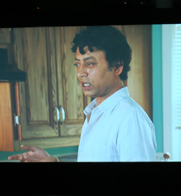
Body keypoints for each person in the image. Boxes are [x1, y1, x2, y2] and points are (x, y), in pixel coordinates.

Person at [9, 26, 156, 163]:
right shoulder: (94, 113)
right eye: (77, 64)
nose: (80, 73)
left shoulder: (130, 118)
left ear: (117, 67)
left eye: (90, 63)